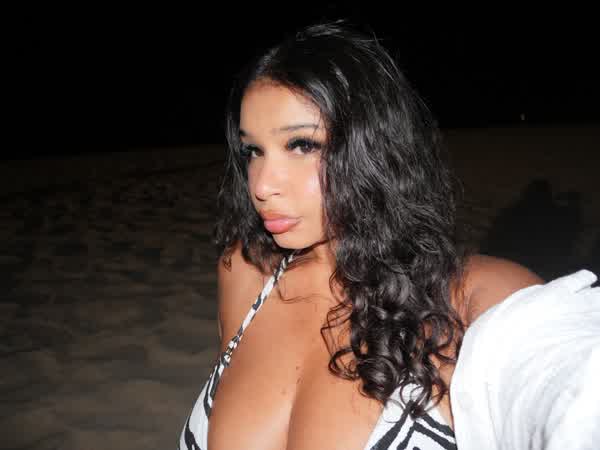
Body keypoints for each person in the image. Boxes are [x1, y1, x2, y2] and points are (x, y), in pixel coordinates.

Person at [179, 22, 543, 450]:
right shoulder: (246, 271)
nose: (261, 185)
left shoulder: (473, 298)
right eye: (253, 150)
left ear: (372, 147)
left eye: (301, 145)